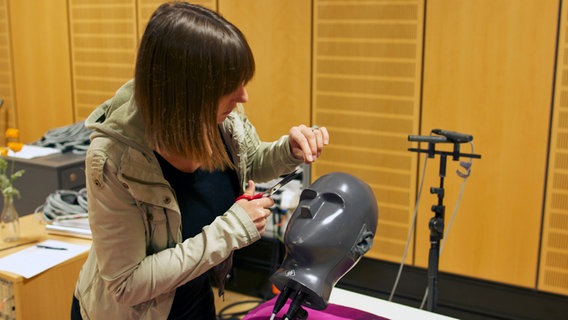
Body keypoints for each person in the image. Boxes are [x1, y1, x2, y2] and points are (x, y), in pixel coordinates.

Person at [70, 2, 329, 320]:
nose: (243, 96)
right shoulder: (113, 159)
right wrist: (230, 230)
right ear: (186, 93)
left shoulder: (220, 121)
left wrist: (288, 150)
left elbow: (251, 160)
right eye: (229, 87)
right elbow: (127, 284)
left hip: (193, 301)